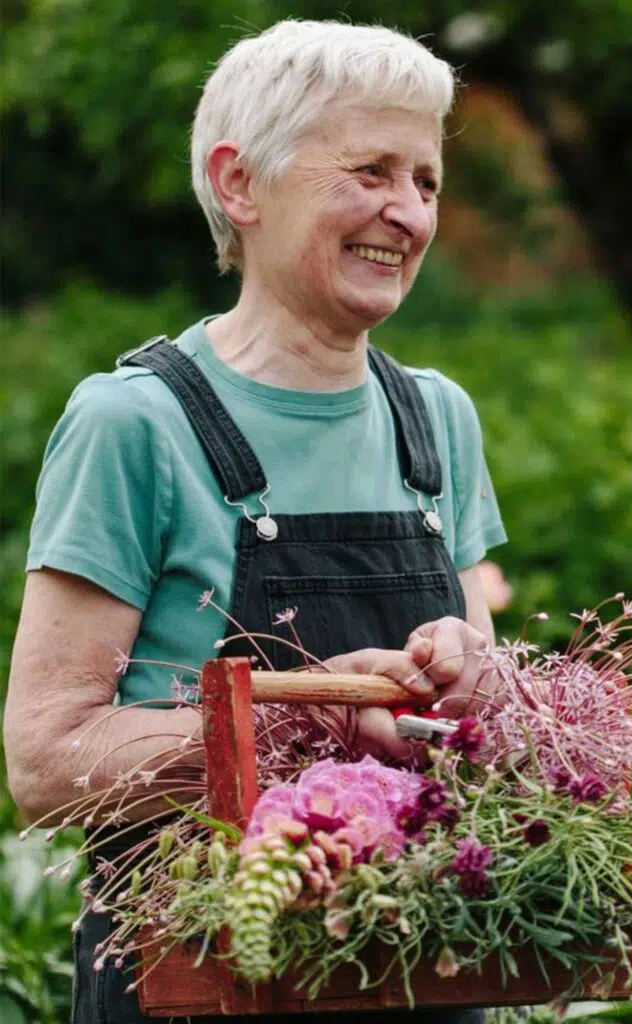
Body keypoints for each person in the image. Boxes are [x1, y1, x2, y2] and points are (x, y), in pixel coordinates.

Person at [3, 20, 506, 1024]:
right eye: (369, 170)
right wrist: (307, 721)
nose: (406, 212)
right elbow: (45, 761)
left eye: (427, 181)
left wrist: (476, 682)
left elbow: (472, 729)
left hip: (423, 974)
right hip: (203, 976)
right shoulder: (135, 425)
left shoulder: (436, 418)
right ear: (241, 185)